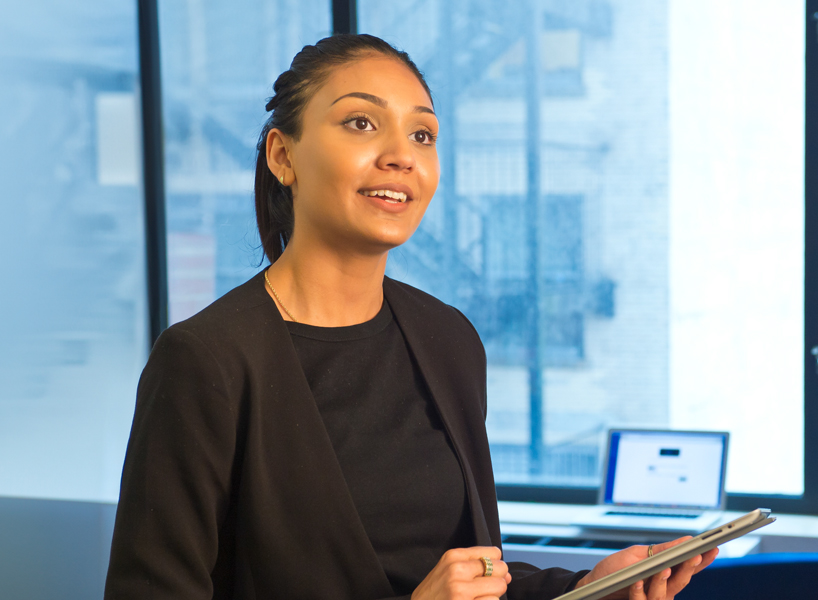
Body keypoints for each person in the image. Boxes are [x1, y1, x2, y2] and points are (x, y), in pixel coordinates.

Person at [104, 34, 716, 600]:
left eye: (422, 135)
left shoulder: (447, 338)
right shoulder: (205, 361)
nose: (402, 156)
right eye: (361, 122)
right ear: (282, 155)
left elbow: (469, 574)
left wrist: (584, 587)